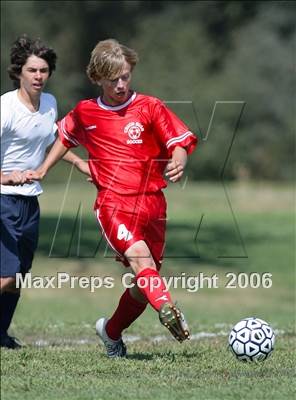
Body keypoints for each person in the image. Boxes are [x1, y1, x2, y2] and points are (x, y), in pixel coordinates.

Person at [27, 39, 198, 357]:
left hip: (153, 204)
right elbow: (62, 138)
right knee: (142, 264)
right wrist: (44, 169)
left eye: (126, 77)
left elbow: (178, 140)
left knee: (145, 284)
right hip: (114, 204)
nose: (121, 85)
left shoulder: (149, 107)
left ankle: (111, 332)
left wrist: (179, 159)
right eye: (113, 79)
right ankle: (169, 309)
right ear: (97, 78)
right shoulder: (85, 112)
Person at [0, 34, 90, 349]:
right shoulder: (5, 108)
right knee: (6, 275)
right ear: (18, 72)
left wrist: (79, 163)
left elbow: (56, 142)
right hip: (2, 200)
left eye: (43, 70)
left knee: (19, 276)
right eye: (32, 70)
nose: (38, 76)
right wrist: (7, 176)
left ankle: (1, 334)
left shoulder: (49, 104)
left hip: (30, 200)